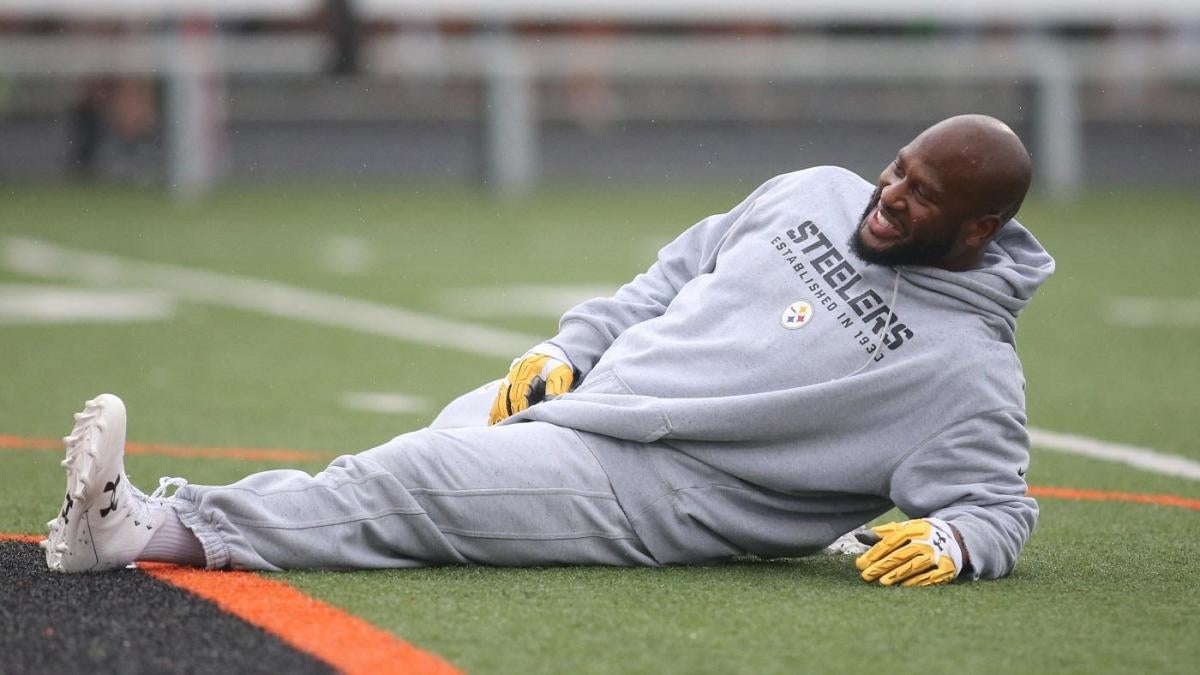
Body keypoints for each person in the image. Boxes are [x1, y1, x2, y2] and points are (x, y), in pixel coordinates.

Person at [43, 114, 1053, 587]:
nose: (890, 197)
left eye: (923, 196)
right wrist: (570, 349)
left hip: (659, 488)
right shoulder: (813, 190)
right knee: (422, 457)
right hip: (590, 399)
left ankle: (148, 529)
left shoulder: (968, 370)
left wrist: (963, 541)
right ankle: (184, 526)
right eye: (897, 169)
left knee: (418, 477)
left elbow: (996, 504)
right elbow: (670, 275)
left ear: (977, 232)